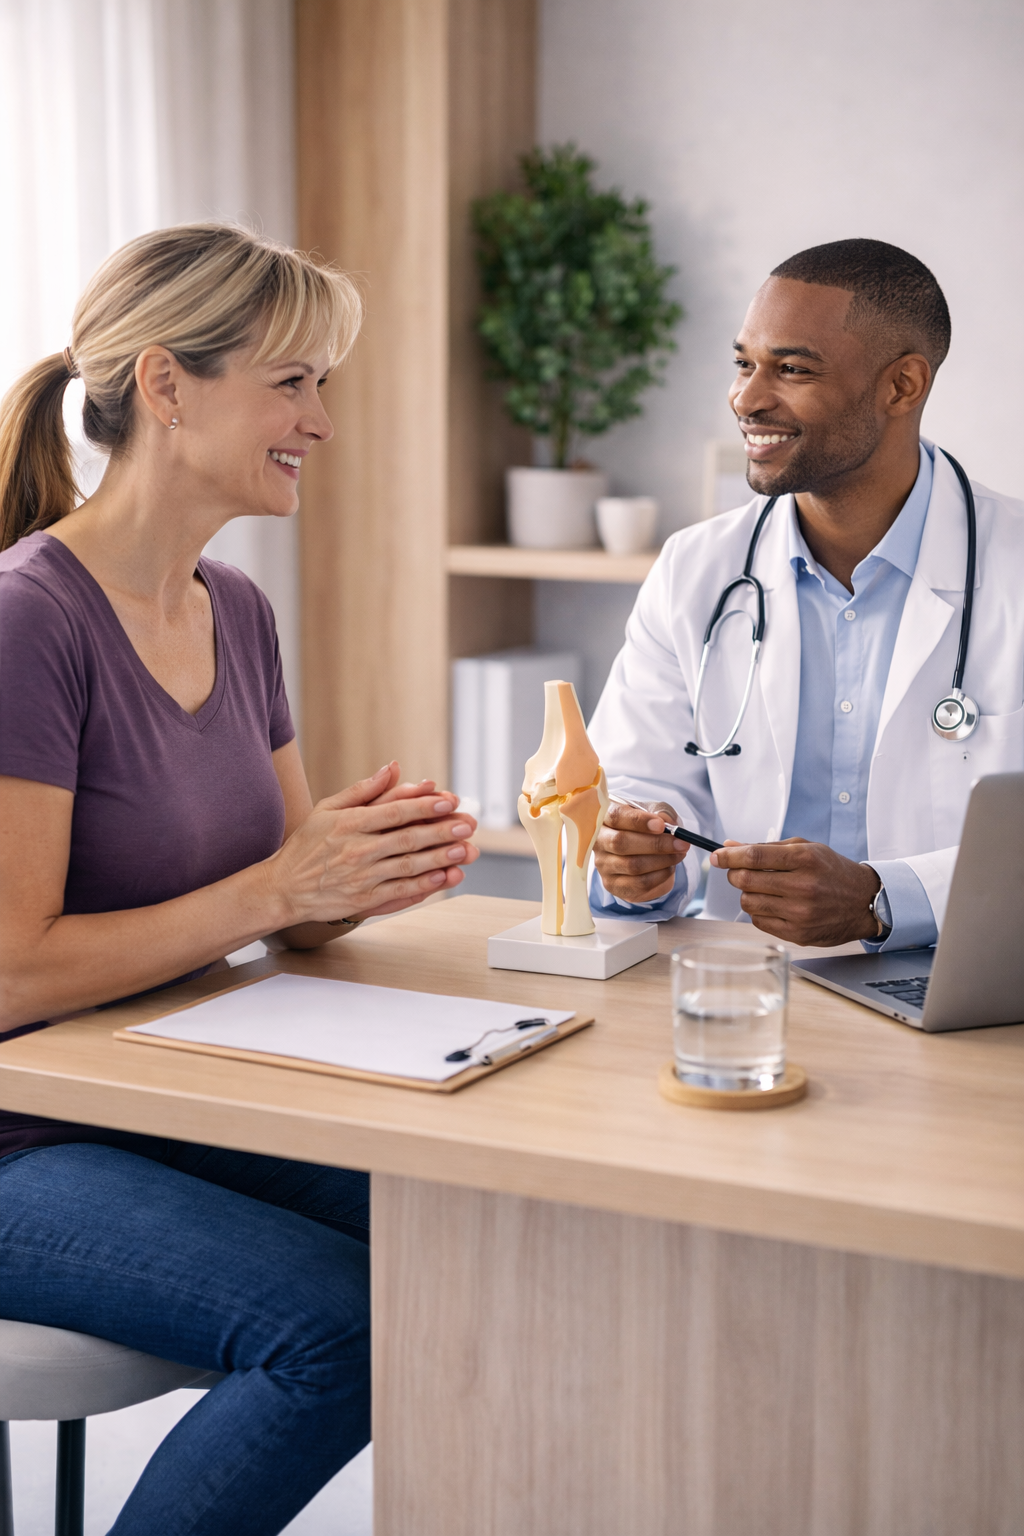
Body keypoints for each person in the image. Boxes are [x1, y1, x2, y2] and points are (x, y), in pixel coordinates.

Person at [0, 223, 479, 1535]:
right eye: (293, 381)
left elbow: (289, 902)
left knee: (489, 1222)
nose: (322, 420)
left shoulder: (237, 608)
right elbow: (12, 972)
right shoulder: (30, 617)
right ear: (166, 385)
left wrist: (359, 873)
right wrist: (278, 892)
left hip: (166, 1091)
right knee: (343, 1330)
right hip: (22, 1137)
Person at [589, 239, 1024, 947]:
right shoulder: (695, 569)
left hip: (969, 994)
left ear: (902, 387)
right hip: (743, 987)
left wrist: (886, 899)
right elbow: (634, 786)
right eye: (743, 364)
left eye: (791, 369)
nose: (746, 398)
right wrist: (636, 861)